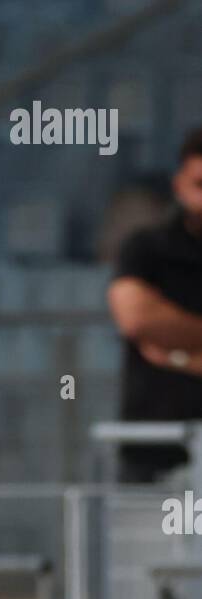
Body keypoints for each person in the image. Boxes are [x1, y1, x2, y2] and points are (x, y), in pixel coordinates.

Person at [109, 128, 202, 483]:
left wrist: (177, 352)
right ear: (179, 184)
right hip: (152, 452)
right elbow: (136, 320)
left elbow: (153, 328)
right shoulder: (147, 248)